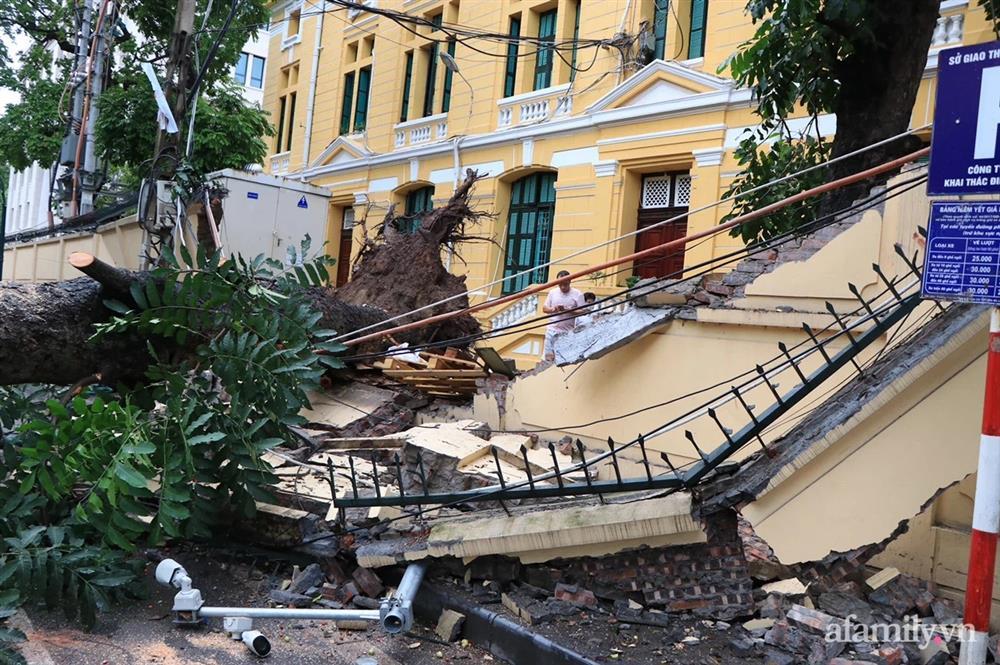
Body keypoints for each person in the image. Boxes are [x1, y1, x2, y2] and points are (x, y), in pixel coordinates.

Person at [542, 270, 585, 360]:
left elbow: (583, 311)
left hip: (567, 331)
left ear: (569, 281)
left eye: (565, 284)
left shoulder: (577, 294)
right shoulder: (552, 292)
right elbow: (545, 309)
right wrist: (554, 309)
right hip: (552, 329)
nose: (563, 287)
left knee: (564, 358)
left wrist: (568, 310)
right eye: (560, 284)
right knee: (548, 358)